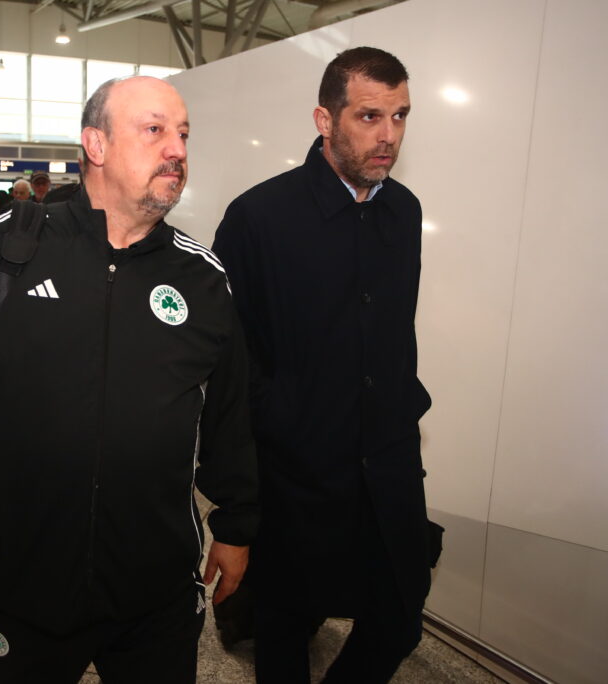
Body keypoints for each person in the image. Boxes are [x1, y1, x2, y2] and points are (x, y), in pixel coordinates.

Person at [0, 76, 258, 683]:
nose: (177, 149)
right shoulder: (9, 247)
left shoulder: (201, 278)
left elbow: (231, 417)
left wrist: (235, 526)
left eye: (182, 134)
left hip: (155, 593)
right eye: (154, 130)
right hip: (22, 583)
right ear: (96, 144)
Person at [212, 47, 433, 683]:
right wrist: (275, 427)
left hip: (386, 461)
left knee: (399, 617)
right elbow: (231, 360)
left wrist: (402, 412)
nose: (388, 135)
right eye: (369, 116)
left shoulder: (404, 212)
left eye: (399, 116)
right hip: (295, 470)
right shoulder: (259, 217)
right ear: (325, 119)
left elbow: (397, 332)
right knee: (285, 627)